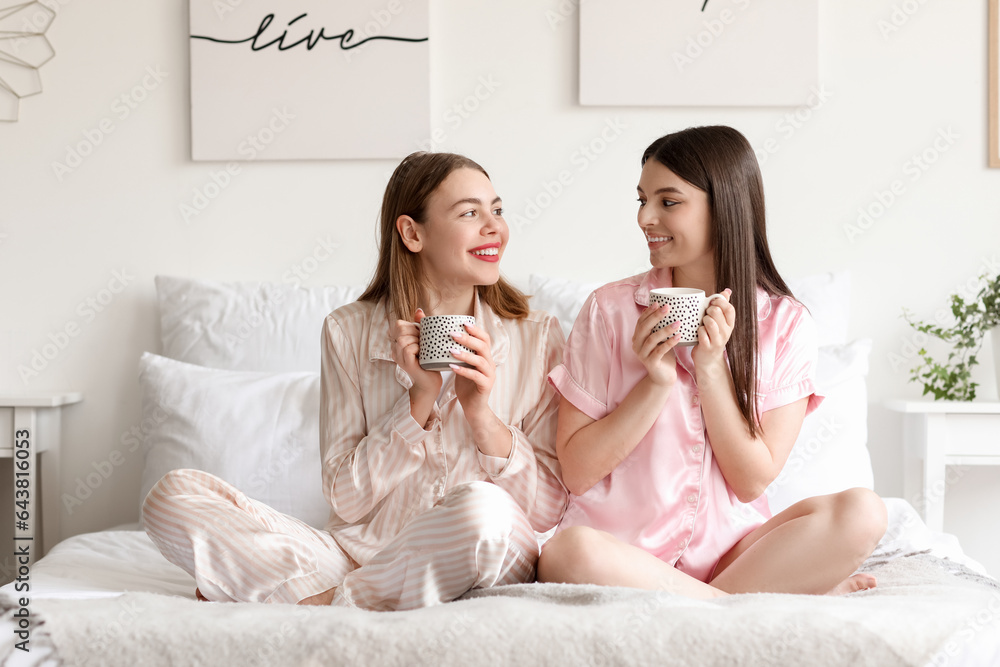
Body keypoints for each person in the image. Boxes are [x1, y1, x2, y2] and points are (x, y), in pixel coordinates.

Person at [143, 151, 568, 610]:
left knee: (483, 509)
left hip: (485, 552)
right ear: (412, 233)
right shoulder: (348, 331)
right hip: (357, 557)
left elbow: (548, 507)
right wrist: (416, 403)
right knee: (173, 496)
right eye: (470, 212)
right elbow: (346, 500)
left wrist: (481, 415)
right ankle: (364, 598)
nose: (495, 227)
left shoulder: (537, 334)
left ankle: (321, 606)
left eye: (497, 210)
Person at [536, 126, 887, 598]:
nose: (646, 217)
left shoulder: (785, 324)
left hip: (734, 556)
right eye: (641, 200)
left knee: (864, 512)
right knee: (567, 552)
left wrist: (710, 369)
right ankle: (733, 606)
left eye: (668, 201)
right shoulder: (608, 310)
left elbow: (750, 481)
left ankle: (708, 598)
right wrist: (655, 383)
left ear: (724, 206)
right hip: (620, 555)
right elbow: (577, 471)